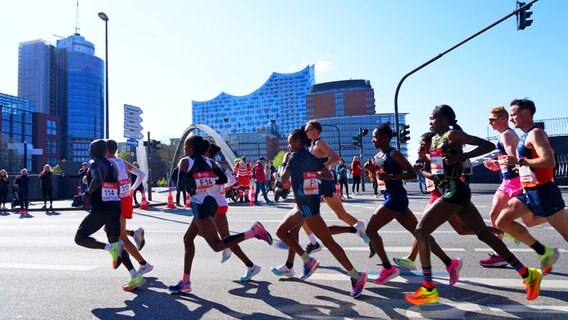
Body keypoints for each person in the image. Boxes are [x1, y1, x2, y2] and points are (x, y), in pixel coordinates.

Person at [405, 104, 542, 305]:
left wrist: (461, 157)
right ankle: (527, 273)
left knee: (420, 232)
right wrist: (422, 169)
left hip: (455, 192)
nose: (429, 122)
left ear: (444, 118)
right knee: (484, 235)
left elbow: (488, 146)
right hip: (452, 191)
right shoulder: (434, 140)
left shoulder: (453, 135)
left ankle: (428, 288)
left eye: (433, 118)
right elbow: (437, 175)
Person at [168, 135, 273, 294]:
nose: (183, 149)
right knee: (188, 239)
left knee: (217, 245)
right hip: (211, 202)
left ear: (190, 147)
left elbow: (180, 185)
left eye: (185, 146)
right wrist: (208, 182)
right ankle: (185, 281)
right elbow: (223, 178)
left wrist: (195, 183)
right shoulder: (210, 162)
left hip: (200, 204)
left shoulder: (185, 161)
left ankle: (253, 232)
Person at [272, 127, 367, 298]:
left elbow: (284, 180)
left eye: (290, 142)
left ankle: (356, 276)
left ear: (298, 141)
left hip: (307, 205)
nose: (288, 146)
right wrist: (311, 177)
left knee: (328, 242)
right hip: (306, 203)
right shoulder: (309, 156)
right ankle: (307, 260)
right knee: (281, 231)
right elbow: (328, 176)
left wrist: (285, 163)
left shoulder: (293, 157)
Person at [366, 124, 461, 286]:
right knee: (420, 234)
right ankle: (450, 263)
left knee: (370, 230)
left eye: (375, 136)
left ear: (385, 137)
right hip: (390, 196)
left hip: (396, 198)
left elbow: (410, 173)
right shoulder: (377, 156)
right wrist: (370, 170)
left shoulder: (394, 153)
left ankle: (388, 268)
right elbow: (379, 178)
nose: (372, 139)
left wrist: (393, 176)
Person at [494, 98, 568, 275]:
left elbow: (549, 161)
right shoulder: (524, 136)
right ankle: (545, 252)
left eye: (513, 115)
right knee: (501, 221)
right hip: (528, 192)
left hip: (544, 192)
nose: (511, 119)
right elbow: (528, 164)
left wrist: (519, 160)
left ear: (526, 113)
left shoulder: (536, 134)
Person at [74, 139, 145, 291]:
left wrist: (86, 194)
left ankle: (108, 248)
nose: (88, 150)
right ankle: (134, 275)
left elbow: (98, 179)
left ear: (94, 150)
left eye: (90, 148)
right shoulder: (112, 165)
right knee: (117, 243)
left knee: (80, 238)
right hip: (115, 207)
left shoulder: (93, 162)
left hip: (101, 208)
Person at [479, 105, 545, 268]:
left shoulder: (507, 135)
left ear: (503, 119)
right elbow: (509, 160)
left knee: (496, 216)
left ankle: (499, 253)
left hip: (513, 181)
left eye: (492, 119)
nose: (490, 122)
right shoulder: (506, 134)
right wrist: (497, 165)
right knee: (528, 221)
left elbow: (514, 157)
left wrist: (497, 161)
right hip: (509, 180)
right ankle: (555, 214)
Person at [302, 120, 367, 254]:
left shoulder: (320, 143)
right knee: (341, 215)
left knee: (304, 213)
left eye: (308, 130)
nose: (306, 132)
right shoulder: (312, 145)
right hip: (321, 182)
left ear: (315, 130)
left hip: (321, 182)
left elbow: (336, 157)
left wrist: (322, 167)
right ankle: (364, 232)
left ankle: (313, 242)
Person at [205, 143, 262, 281]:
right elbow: (231, 179)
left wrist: (215, 186)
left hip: (214, 205)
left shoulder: (209, 165)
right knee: (197, 236)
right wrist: (222, 188)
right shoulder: (217, 165)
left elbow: (228, 180)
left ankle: (245, 241)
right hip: (218, 203)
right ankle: (247, 263)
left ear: (206, 152)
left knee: (210, 235)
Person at [105, 139, 153, 290]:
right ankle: (135, 233)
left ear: (105, 150)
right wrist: (132, 189)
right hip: (125, 198)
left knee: (120, 237)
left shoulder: (108, 164)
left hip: (116, 200)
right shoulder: (122, 162)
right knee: (110, 230)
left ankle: (144, 264)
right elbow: (141, 174)